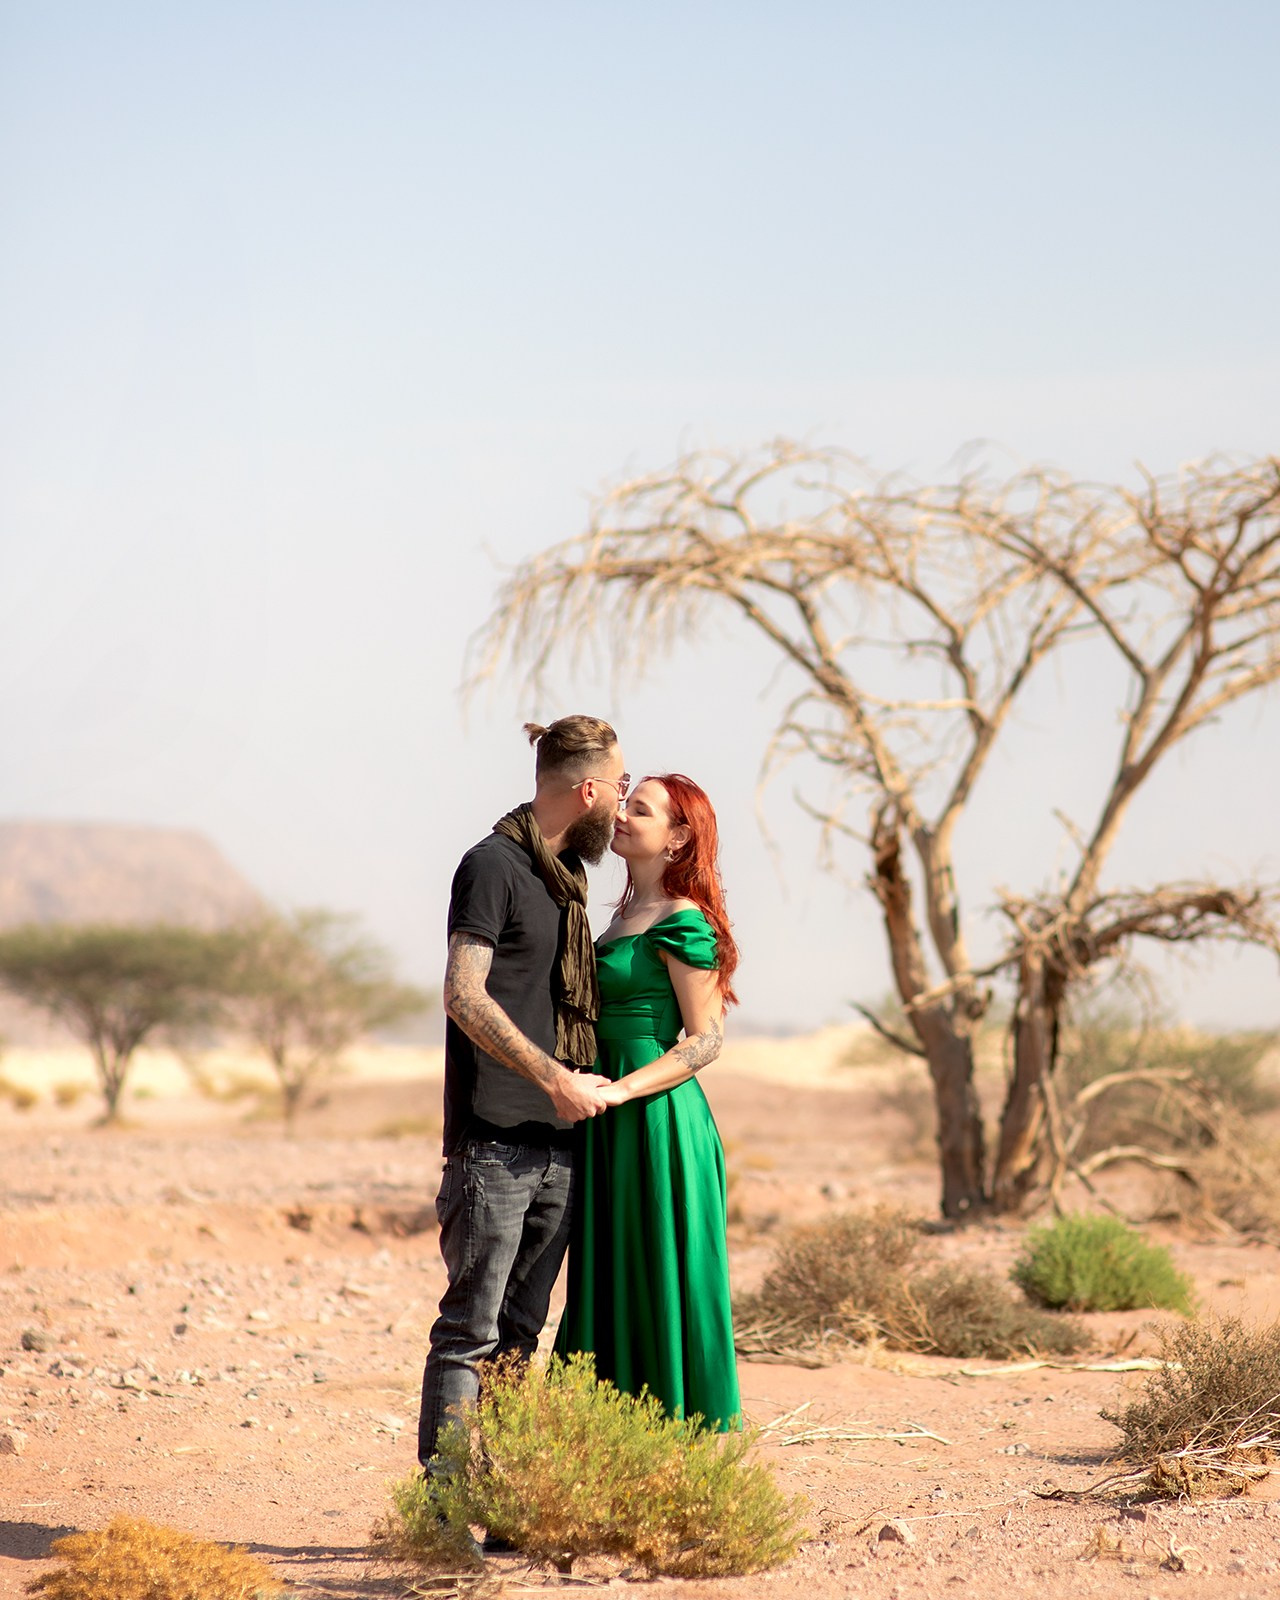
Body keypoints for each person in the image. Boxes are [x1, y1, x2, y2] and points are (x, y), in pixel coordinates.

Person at [417, 714, 628, 1478]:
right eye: (621, 784)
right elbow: (462, 995)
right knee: (469, 1334)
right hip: (494, 1143)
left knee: (519, 1336)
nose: (623, 798)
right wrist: (554, 1078)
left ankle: (507, 1509)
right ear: (589, 789)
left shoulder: (568, 879)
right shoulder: (492, 865)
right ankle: (444, 1511)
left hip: (560, 1145)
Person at [554, 772, 741, 1431]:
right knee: (612, 1271)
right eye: (625, 805)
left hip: (658, 1121)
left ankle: (681, 1444)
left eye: (641, 810)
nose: (622, 817)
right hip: (605, 1116)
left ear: (678, 836)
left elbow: (706, 1039)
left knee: (663, 1273)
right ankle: (608, 1437)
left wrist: (622, 1090)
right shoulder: (617, 918)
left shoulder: (684, 920)